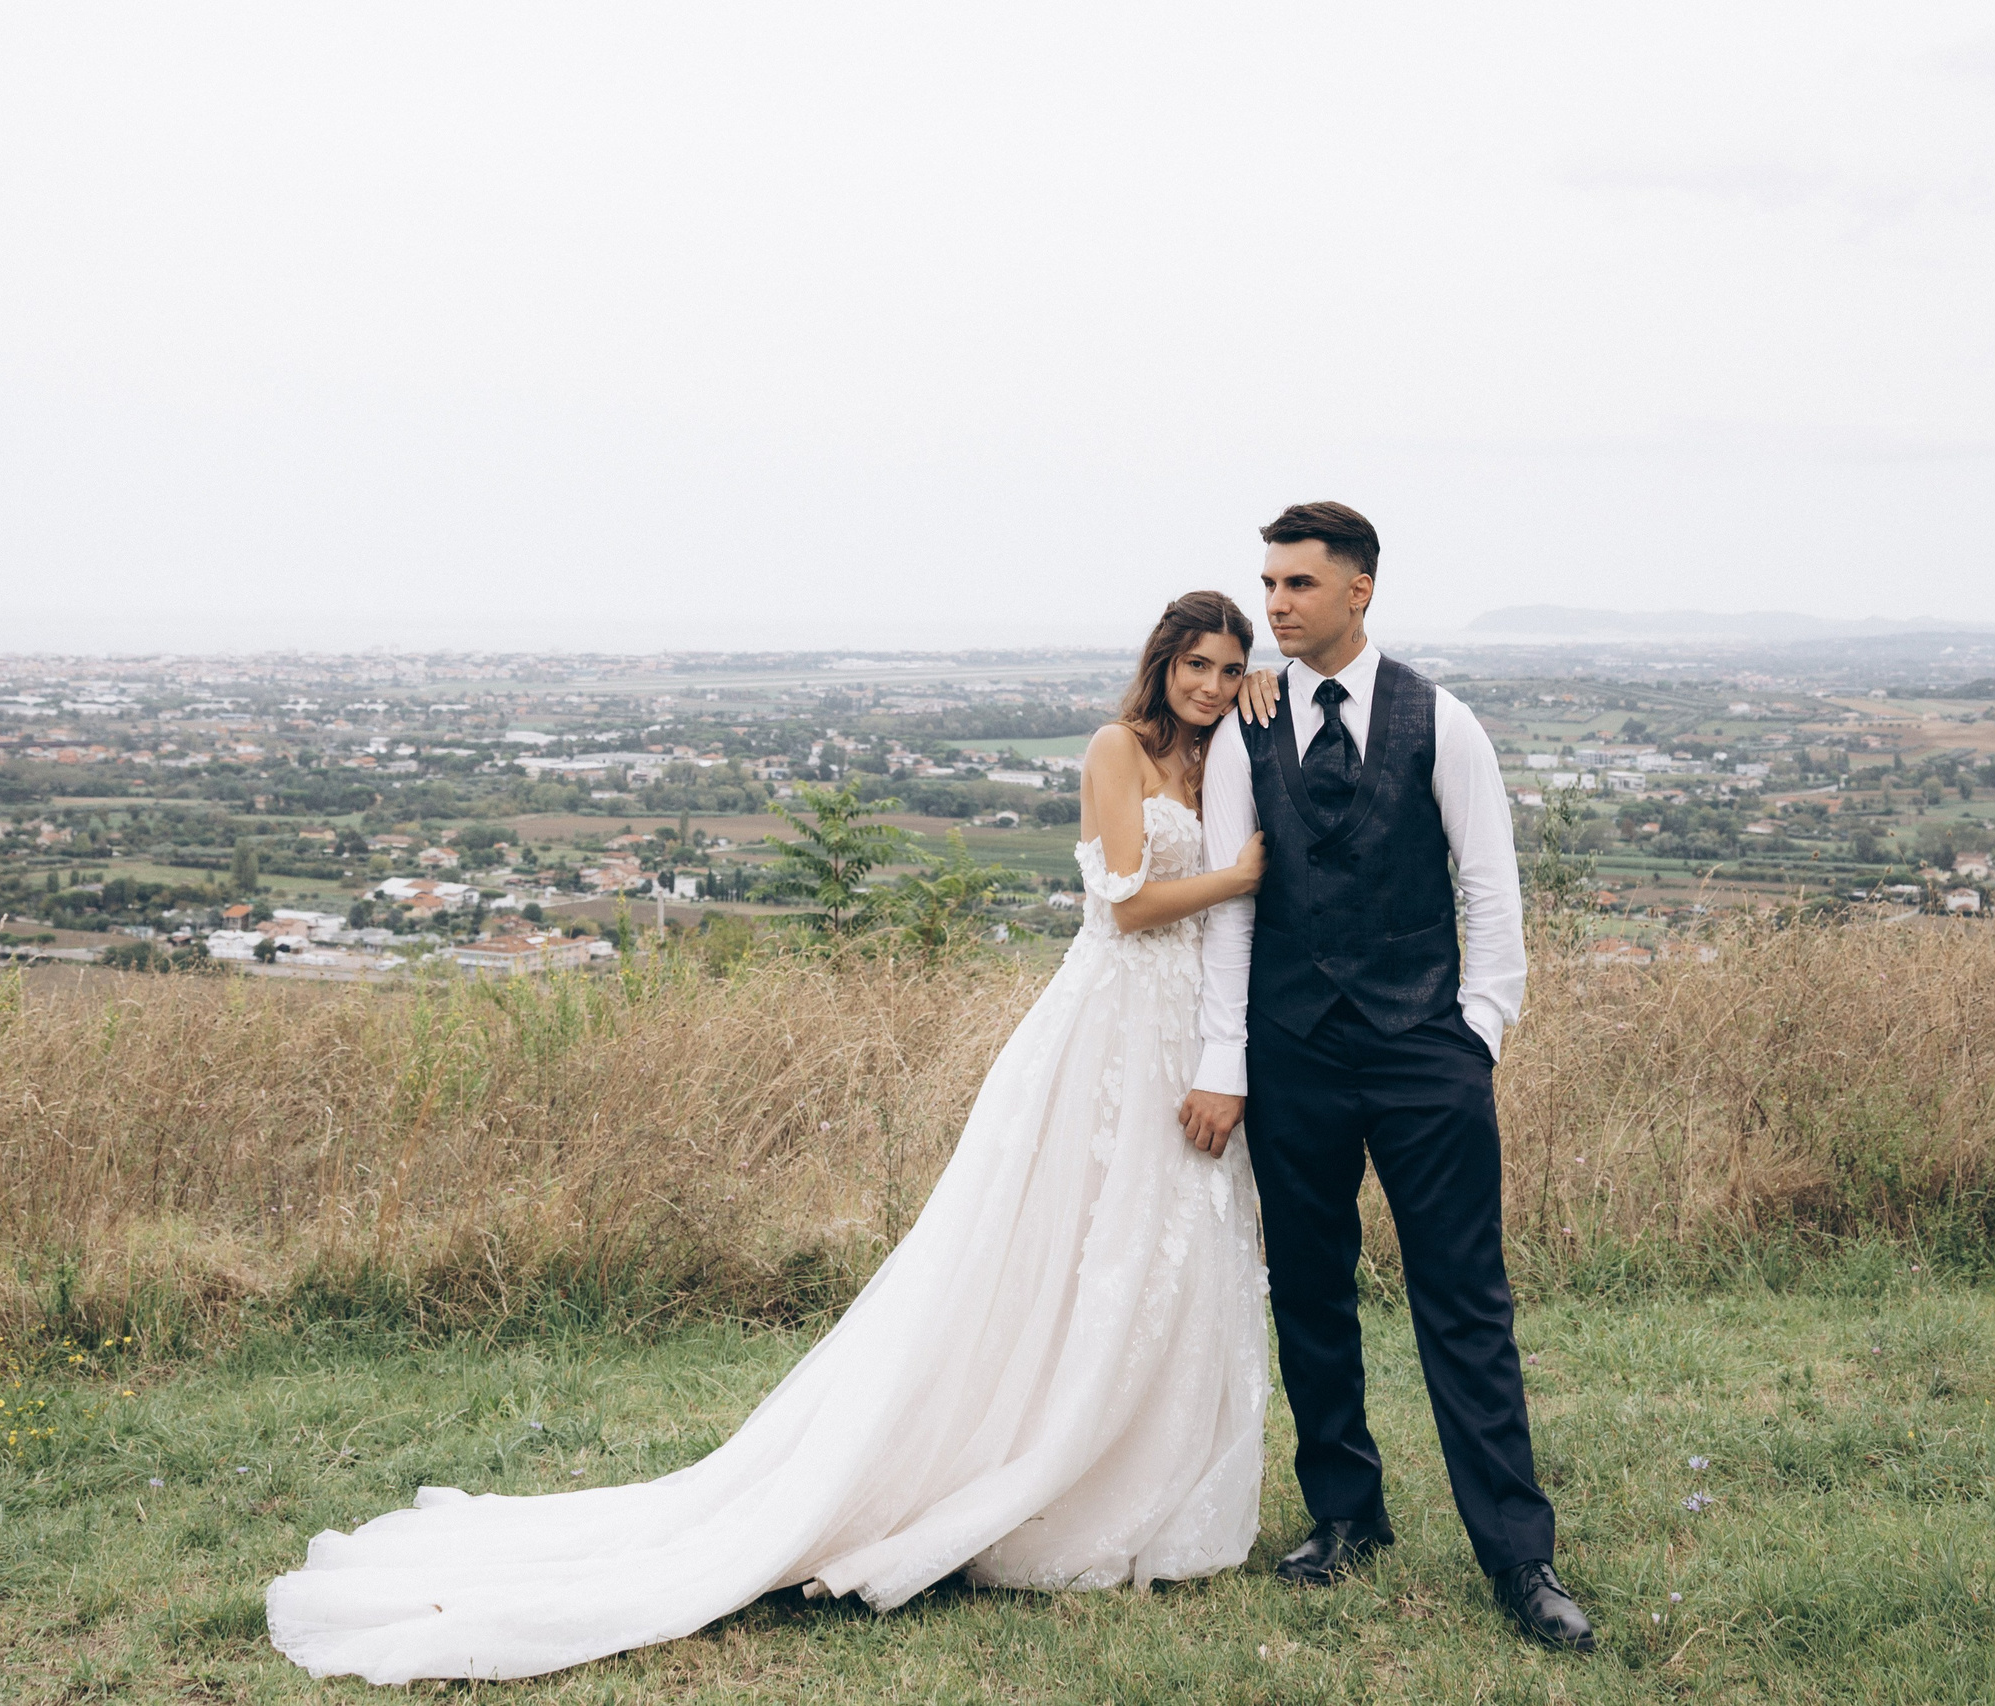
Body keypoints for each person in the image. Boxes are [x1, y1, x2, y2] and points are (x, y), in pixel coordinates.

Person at [267, 593, 1283, 1686]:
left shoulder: (1221, 751)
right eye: (1198, 664)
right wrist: (1238, 876)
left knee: (1164, 1240)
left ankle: (1141, 1471)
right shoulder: (1115, 748)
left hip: (1186, 1024)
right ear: (1162, 660)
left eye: (1231, 669)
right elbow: (1124, 901)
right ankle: (1019, 1462)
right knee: (1070, 1240)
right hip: (1111, 1027)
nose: (1212, 685)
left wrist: (1265, 705)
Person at [1175, 501, 1596, 1652]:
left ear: (1358, 590)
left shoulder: (1442, 721)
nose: (1273, 606)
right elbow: (1230, 913)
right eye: (1266, 585)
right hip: (1292, 1050)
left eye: (1296, 586)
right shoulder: (1241, 730)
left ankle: (1519, 1554)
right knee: (1308, 1290)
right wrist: (1230, 1062)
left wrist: (1479, 1030)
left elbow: (1491, 890)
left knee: (1462, 1300)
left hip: (1426, 1054)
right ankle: (1345, 1513)